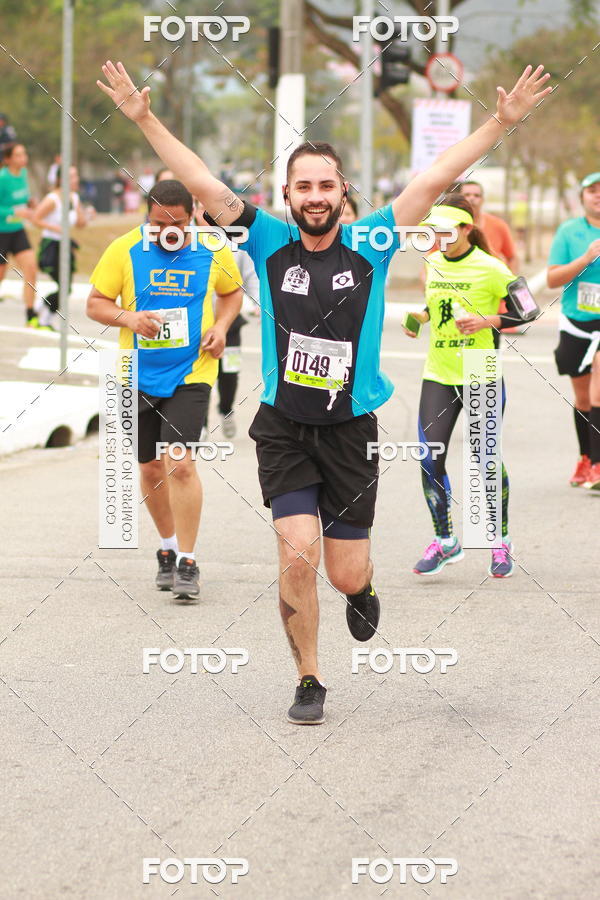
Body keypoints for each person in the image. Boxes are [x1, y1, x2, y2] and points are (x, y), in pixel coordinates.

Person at [97, 59, 551, 723]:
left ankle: (361, 590)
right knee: (296, 553)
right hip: (283, 426)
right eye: (303, 185)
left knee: (343, 571)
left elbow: (433, 177)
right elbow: (201, 181)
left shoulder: (372, 241)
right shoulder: (266, 239)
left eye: (326, 185)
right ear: (287, 194)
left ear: (343, 192)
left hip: (350, 431)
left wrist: (499, 124)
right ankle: (309, 677)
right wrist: (143, 119)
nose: (315, 195)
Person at [86, 179, 243, 599]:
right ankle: (168, 549)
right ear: (147, 217)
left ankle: (188, 561)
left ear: (193, 216)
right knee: (151, 467)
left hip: (192, 372)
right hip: (135, 373)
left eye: (176, 224)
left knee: (180, 463)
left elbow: (231, 295)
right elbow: (95, 303)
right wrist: (129, 318)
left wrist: (222, 327)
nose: (166, 232)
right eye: (157, 224)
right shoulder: (124, 249)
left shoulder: (213, 249)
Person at [403, 195, 529, 578]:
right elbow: (437, 306)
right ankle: (446, 542)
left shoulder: (492, 267)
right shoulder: (433, 263)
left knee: (484, 461)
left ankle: (499, 541)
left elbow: (528, 309)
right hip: (438, 373)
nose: (438, 238)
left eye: (446, 231)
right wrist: (419, 318)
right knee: (429, 459)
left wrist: (489, 320)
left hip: (480, 371)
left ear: (466, 228)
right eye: (434, 231)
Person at [547, 172, 600, 489]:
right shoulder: (569, 231)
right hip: (576, 322)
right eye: (592, 190)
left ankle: (597, 464)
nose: (598, 195)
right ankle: (585, 458)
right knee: (583, 398)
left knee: (599, 387)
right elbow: (553, 279)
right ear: (582, 197)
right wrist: (586, 258)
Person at [194, 199, 259, 439]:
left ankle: (226, 409)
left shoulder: (235, 242)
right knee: (199, 376)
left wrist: (259, 304)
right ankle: (200, 424)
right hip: (196, 326)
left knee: (229, 373)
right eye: (202, 209)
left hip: (230, 324)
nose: (207, 214)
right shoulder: (184, 242)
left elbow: (251, 277)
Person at [32, 165, 88, 330]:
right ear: (61, 179)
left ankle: (43, 313)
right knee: (64, 287)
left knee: (66, 288)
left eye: (76, 175)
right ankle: (42, 314)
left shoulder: (74, 198)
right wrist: (56, 228)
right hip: (51, 246)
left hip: (65, 245)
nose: (76, 179)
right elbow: (36, 218)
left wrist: (87, 216)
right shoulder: (53, 199)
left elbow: (80, 224)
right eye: (72, 176)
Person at [0, 143, 38, 324]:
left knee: (31, 268)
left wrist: (30, 203)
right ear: (8, 159)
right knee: (1, 274)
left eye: (24, 154)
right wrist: (14, 212)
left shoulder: (23, 174)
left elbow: (21, 199)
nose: (23, 158)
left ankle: (31, 315)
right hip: (1, 233)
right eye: (18, 155)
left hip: (17, 230)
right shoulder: (2, 178)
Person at [459, 181, 519, 271]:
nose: (472, 198)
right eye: (467, 195)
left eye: (477, 195)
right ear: (459, 199)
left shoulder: (498, 225)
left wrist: (510, 278)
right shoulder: (449, 226)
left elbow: (512, 257)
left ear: (483, 200)